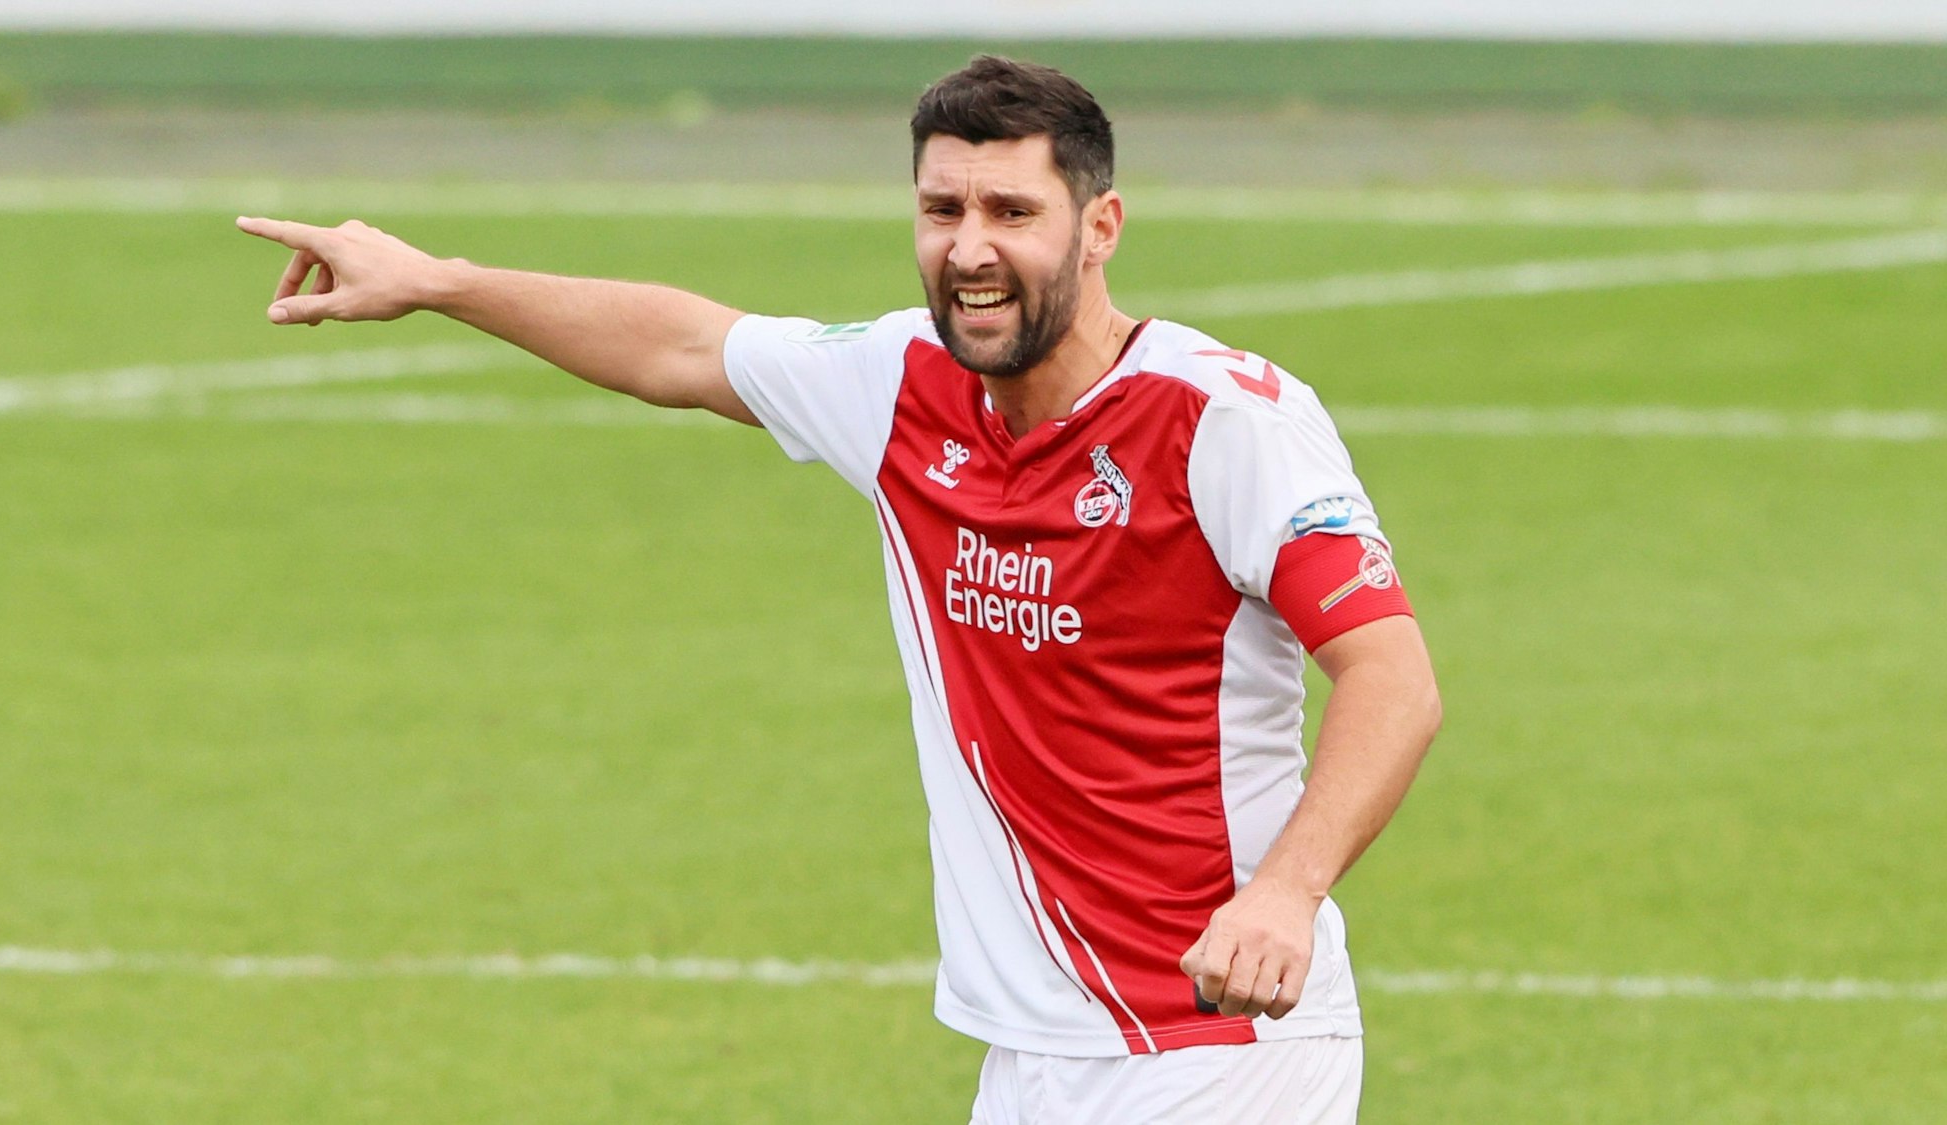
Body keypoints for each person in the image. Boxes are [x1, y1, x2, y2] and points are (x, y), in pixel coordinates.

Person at [237, 55, 1440, 1125]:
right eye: (941, 209)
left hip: (1217, 1048)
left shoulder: (1222, 423)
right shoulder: (900, 385)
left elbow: (1389, 674)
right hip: (1026, 1057)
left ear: (1099, 225)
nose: (969, 247)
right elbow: (683, 347)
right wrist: (438, 279)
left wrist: (1286, 893)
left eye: (1011, 211)